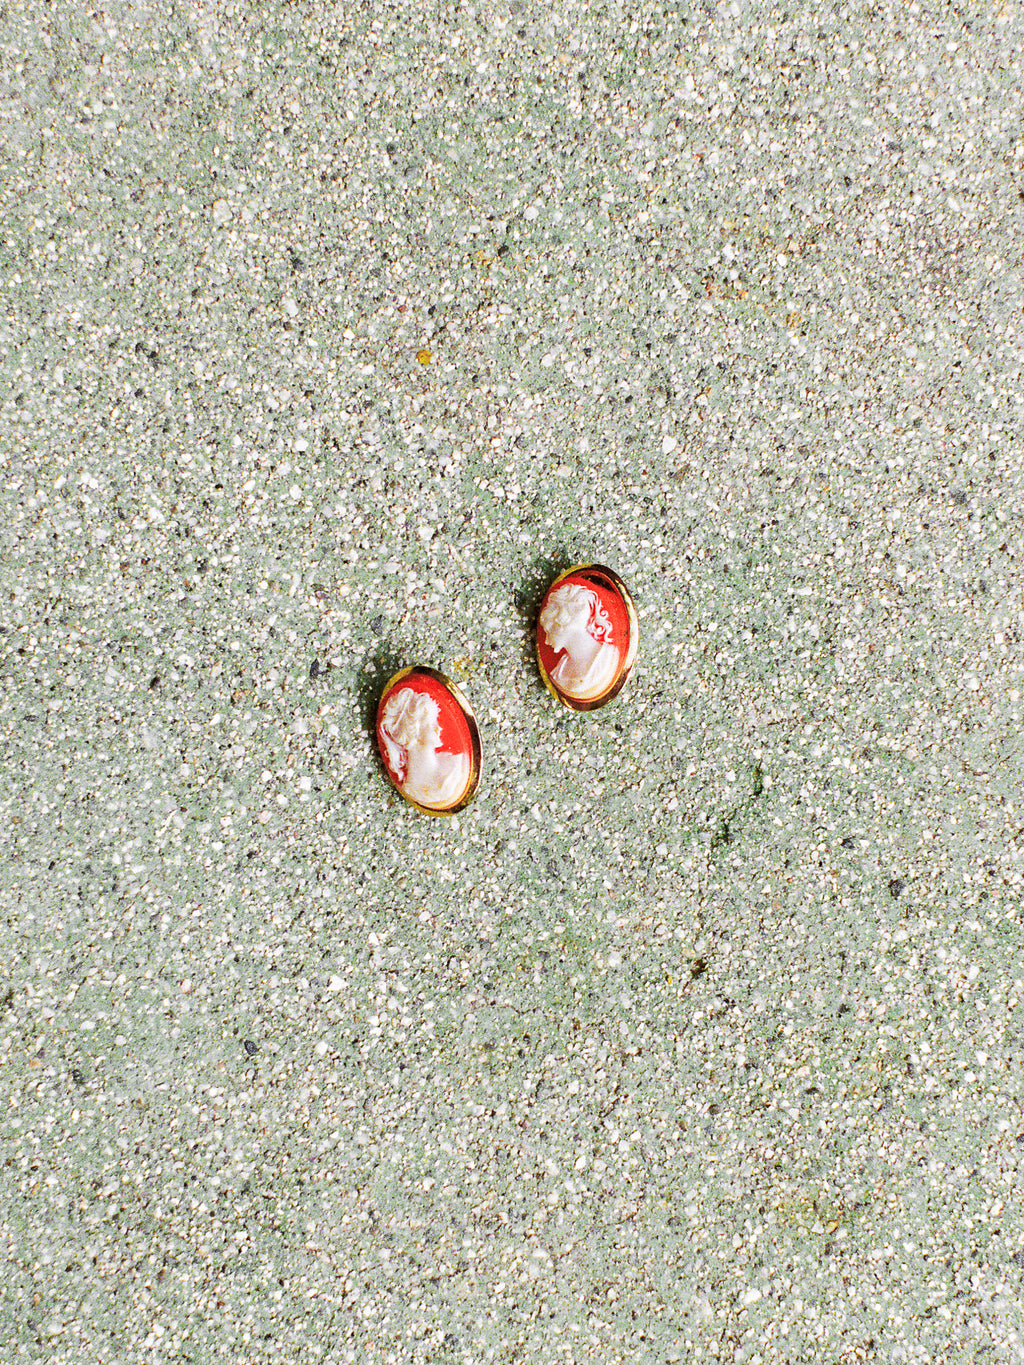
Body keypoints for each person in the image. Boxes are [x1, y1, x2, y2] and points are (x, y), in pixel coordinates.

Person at [379, 686, 469, 808]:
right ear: (413, 730)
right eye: (432, 723)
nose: (439, 728)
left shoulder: (456, 768)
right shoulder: (410, 789)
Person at [539, 582, 620, 701]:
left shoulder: (608, 658)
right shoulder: (559, 671)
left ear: (564, 623)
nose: (546, 641)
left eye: (549, 630)